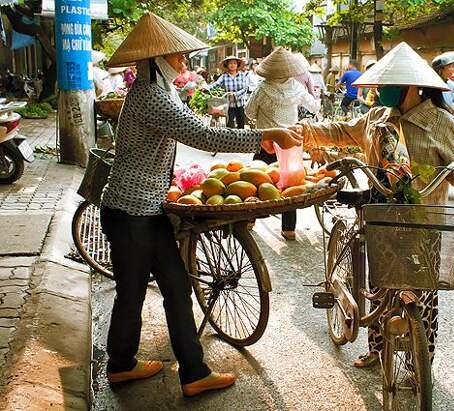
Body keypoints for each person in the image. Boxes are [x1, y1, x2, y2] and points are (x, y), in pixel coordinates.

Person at [101, 12, 302, 398]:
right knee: (134, 291)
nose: (183, 62)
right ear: (156, 59)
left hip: (148, 209)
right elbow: (199, 132)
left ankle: (190, 372)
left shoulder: (160, 91)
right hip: (130, 211)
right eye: (176, 56)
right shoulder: (149, 95)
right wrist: (263, 135)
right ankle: (122, 365)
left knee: (176, 287)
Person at [298, 42, 454, 368]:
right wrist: (304, 132)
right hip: (381, 214)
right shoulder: (377, 117)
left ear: (409, 85)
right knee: (380, 284)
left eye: (385, 85)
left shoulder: (442, 122)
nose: (379, 90)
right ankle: (377, 348)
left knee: (422, 296)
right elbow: (341, 131)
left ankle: (419, 363)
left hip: (425, 222)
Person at [245, 48, 320, 241]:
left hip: (265, 142)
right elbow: (313, 106)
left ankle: (249, 219)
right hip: (289, 143)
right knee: (290, 184)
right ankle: (288, 229)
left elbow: (249, 112)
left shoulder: (262, 88)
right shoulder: (296, 87)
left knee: (256, 181)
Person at [204, 56, 248, 128]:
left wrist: (235, 94)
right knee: (229, 124)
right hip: (228, 104)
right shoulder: (224, 76)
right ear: (227, 65)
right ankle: (230, 138)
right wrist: (206, 88)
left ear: (237, 65)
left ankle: (241, 138)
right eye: (230, 63)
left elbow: (245, 88)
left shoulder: (242, 75)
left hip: (240, 103)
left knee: (241, 124)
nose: (232, 65)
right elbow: (216, 84)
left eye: (234, 63)